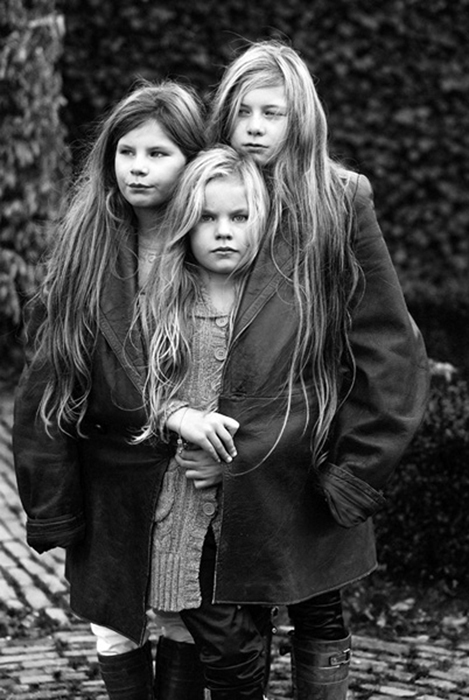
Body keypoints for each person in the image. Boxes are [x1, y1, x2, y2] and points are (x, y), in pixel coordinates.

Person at [175, 40, 428, 700]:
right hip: (224, 451)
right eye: (242, 111)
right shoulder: (211, 190)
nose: (255, 127)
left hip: (308, 447)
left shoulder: (339, 201)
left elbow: (387, 344)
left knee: (318, 606)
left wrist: (357, 466)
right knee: (233, 612)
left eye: (272, 113)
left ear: (300, 119)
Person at [12, 80, 216, 700]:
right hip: (107, 470)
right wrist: (52, 499)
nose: (137, 167)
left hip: (189, 473)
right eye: (127, 152)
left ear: (192, 159)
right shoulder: (87, 247)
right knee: (113, 626)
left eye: (158, 153)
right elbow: (48, 381)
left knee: (183, 616)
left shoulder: (217, 240)